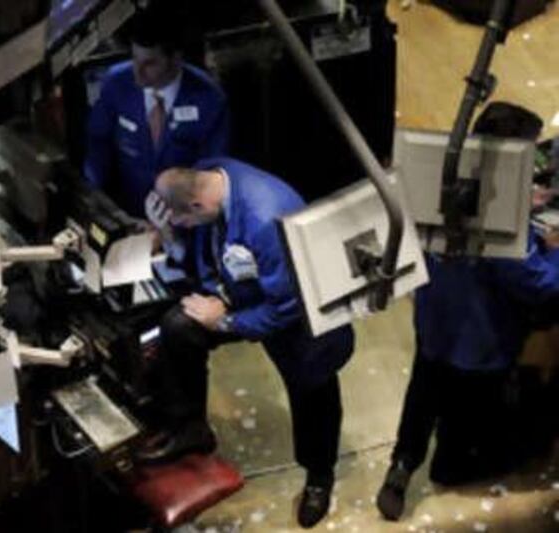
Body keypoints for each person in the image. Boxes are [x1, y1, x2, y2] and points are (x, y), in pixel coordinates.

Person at [136, 158, 354, 529]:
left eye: (181, 223)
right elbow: (204, 245)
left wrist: (224, 318)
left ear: (197, 206)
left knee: (312, 394)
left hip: (300, 319)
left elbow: (286, 308)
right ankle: (190, 427)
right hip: (242, 293)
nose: (180, 229)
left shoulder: (268, 220)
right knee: (178, 327)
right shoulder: (208, 177)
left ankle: (319, 478)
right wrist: (173, 239)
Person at [375, 234, 559, 521]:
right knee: (458, 455)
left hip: (435, 320)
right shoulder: (502, 222)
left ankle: (402, 464)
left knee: (423, 390)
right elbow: (539, 284)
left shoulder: (428, 198)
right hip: (481, 340)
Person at [84, 6, 229, 219]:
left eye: (149, 63)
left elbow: (212, 173)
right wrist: (96, 203)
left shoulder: (208, 99)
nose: (137, 72)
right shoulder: (116, 83)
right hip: (128, 215)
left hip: (183, 218)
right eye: (134, 59)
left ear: (175, 59)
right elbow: (98, 145)